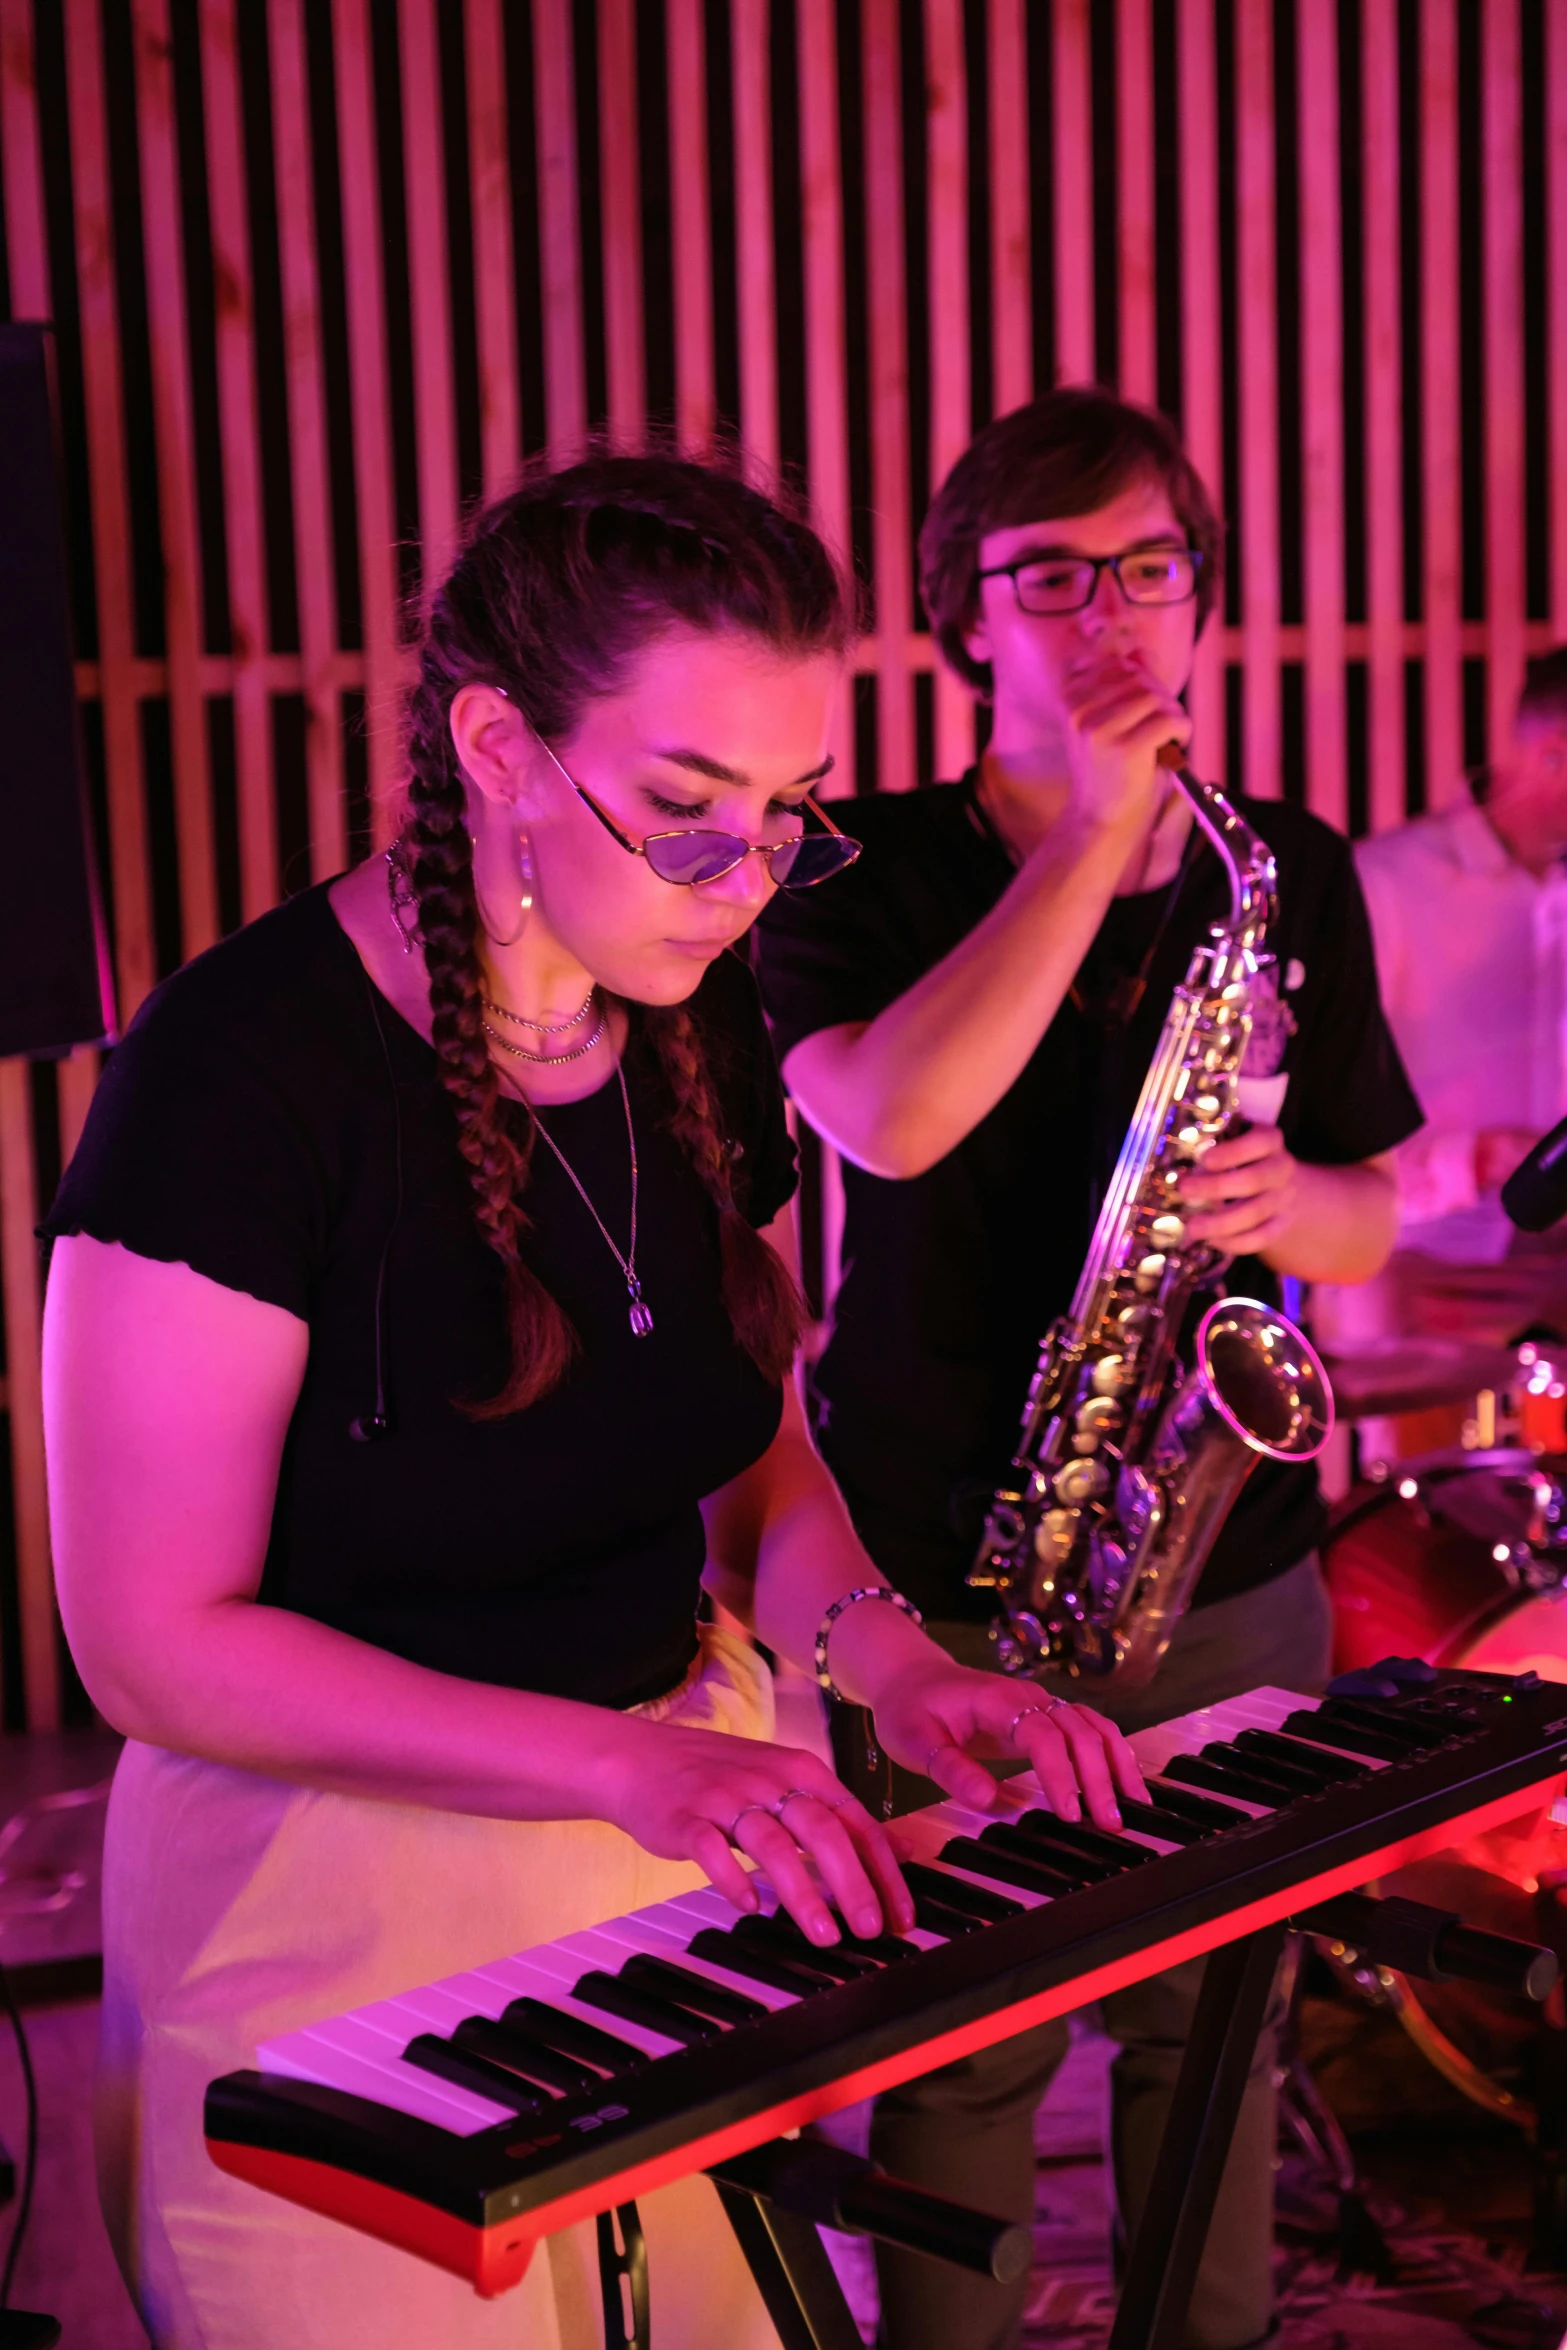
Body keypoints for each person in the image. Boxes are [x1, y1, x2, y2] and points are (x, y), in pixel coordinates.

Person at [40, 455, 1144, 2350]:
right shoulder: (240, 1078)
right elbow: (149, 1650)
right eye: (684, 813)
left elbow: (741, 1442)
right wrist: (638, 1766)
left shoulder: (689, 1001)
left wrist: (893, 1665)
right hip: (330, 1916)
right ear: (495, 742)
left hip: (656, 1876)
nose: (745, 881)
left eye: (788, 814)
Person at [755, 387, 1422, 2350]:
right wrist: (1091, 837)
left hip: (1224, 1553)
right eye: (1055, 577)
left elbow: (1375, 1215)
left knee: (1216, 2030)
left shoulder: (1281, 865)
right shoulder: (850, 865)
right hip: (947, 1565)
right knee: (959, 2049)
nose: (1114, 615)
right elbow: (881, 1117)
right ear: (966, 612)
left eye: (1153, 570)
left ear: (1204, 599)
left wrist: (1285, 1196)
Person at [1324, 651, 1567, 1399]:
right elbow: (1316, 1124)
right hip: (1408, 1274)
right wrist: (1479, 1163)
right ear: (1551, 755)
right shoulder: (1382, 884)